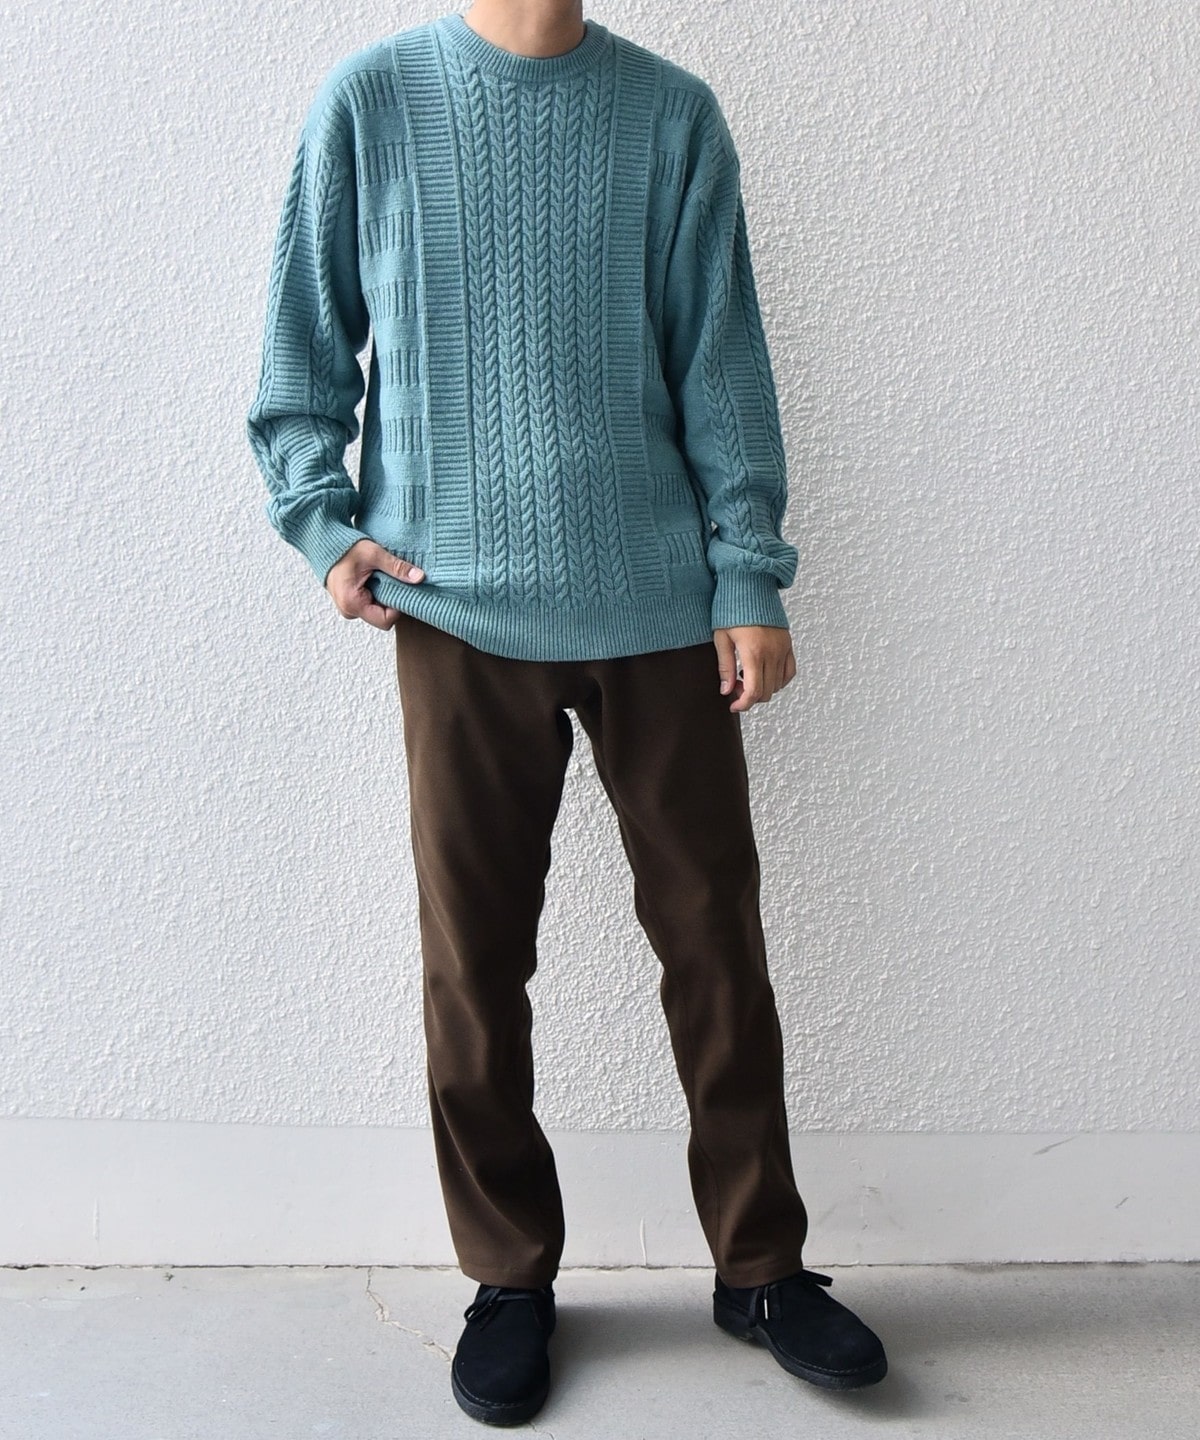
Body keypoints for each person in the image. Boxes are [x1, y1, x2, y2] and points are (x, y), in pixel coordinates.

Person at [246, 0, 887, 1425]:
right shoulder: (372, 102)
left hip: (660, 611)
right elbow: (302, 353)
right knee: (474, 962)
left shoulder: (672, 114)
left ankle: (762, 1267)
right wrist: (322, 525)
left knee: (716, 946)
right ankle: (509, 1277)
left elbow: (721, 359)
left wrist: (749, 573)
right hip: (455, 613)